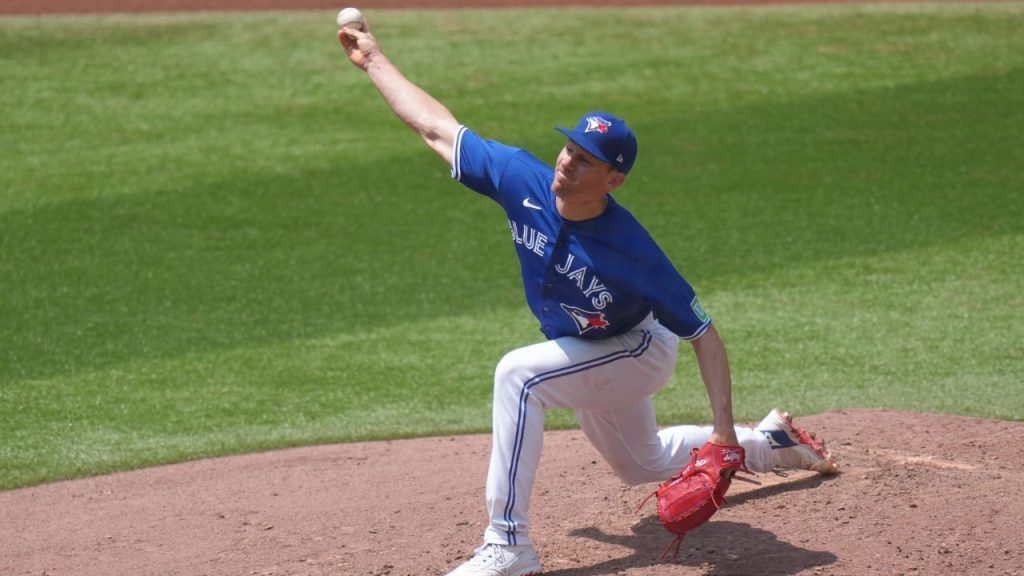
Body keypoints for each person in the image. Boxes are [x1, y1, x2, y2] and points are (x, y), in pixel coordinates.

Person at [338, 20, 839, 576]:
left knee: (518, 376)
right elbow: (437, 127)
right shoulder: (520, 180)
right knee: (639, 462)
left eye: (585, 159)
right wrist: (373, 60)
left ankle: (509, 545)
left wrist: (719, 424)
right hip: (588, 345)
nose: (566, 161)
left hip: (639, 350)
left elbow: (704, 334)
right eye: (569, 147)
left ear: (613, 180)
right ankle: (771, 441)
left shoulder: (632, 251)